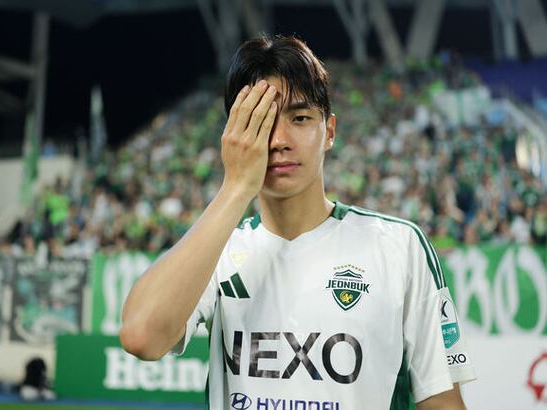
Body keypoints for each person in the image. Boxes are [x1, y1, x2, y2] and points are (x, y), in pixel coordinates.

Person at [121, 35, 475, 409]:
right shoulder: (219, 250)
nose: (278, 140)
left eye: (300, 118)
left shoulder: (399, 246)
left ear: (330, 132)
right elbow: (142, 336)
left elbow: (442, 403)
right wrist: (235, 187)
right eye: (261, 122)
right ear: (234, 136)